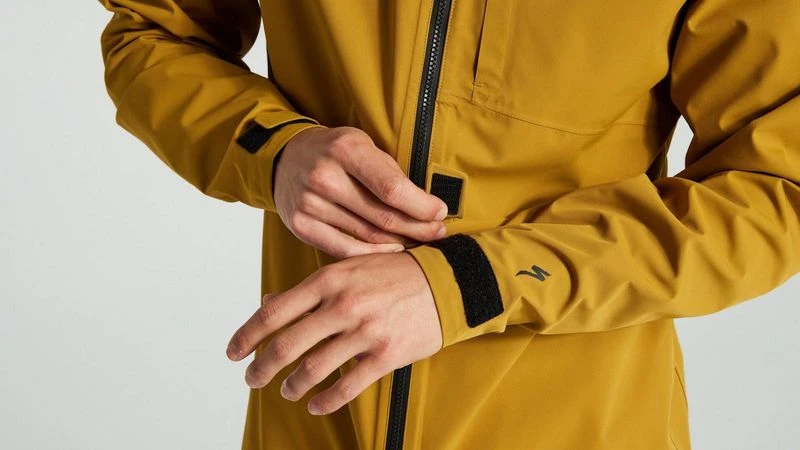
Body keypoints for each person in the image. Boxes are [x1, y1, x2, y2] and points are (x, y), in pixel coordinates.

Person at [97, 0, 800, 449]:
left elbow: (776, 188)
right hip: (313, 418)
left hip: (585, 424)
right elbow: (154, 33)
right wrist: (270, 149)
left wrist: (474, 282)